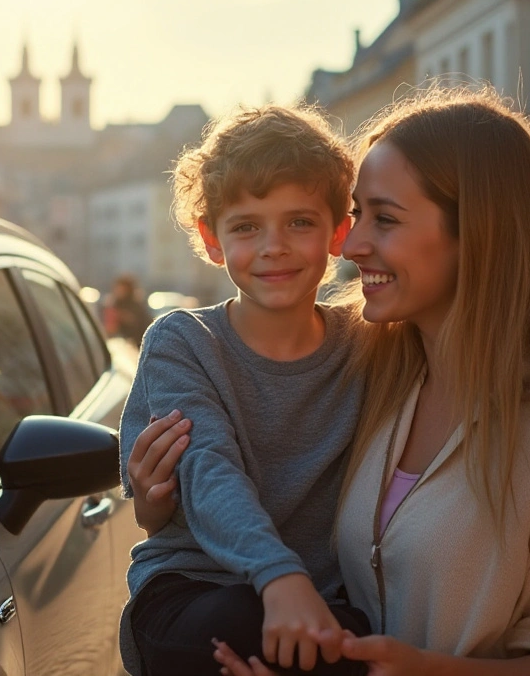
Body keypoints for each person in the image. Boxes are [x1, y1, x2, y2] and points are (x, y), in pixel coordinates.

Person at [131, 87, 530, 676]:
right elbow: (225, 470)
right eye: (359, 214)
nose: (357, 244)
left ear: (479, 230)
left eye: (383, 218)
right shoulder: (380, 364)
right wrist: (165, 509)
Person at [118, 104, 371, 676]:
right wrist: (279, 576)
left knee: (363, 640)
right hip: (193, 592)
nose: (273, 245)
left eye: (299, 222)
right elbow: (207, 468)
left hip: (318, 607)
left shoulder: (367, 345)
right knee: (243, 618)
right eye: (247, 226)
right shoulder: (182, 340)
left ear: (339, 231)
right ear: (212, 240)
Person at [103, 273, 154, 345]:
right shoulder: (113, 304)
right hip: (117, 344)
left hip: (134, 345)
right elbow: (110, 328)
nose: (119, 291)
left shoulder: (136, 306)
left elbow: (141, 325)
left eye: (122, 289)